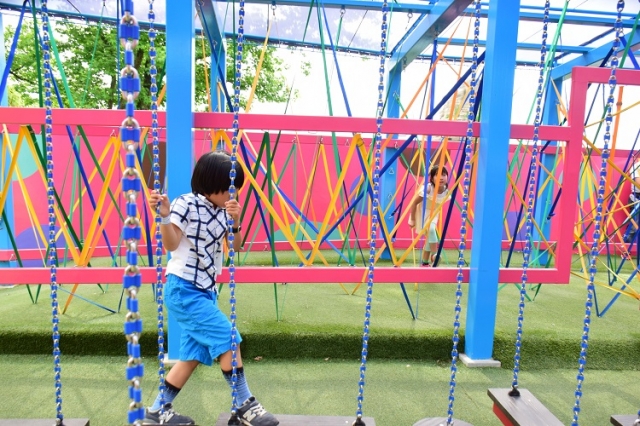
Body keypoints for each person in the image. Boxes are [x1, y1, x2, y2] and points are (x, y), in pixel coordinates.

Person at [145, 150, 279, 426]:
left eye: (236, 188)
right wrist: (165, 217)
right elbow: (171, 244)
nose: (233, 193)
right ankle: (245, 404)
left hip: (205, 292)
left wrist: (236, 222)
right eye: (229, 188)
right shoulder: (186, 204)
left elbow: (236, 246)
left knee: (191, 357)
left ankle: (157, 411)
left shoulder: (222, 211)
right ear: (210, 184)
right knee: (230, 339)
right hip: (184, 289)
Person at [407, 166, 451, 267]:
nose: (441, 178)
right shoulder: (428, 188)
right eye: (437, 175)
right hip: (422, 213)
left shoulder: (446, 190)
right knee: (430, 235)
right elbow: (414, 203)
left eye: (444, 175)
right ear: (432, 178)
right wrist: (412, 219)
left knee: (431, 230)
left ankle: (433, 256)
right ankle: (427, 260)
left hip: (434, 213)